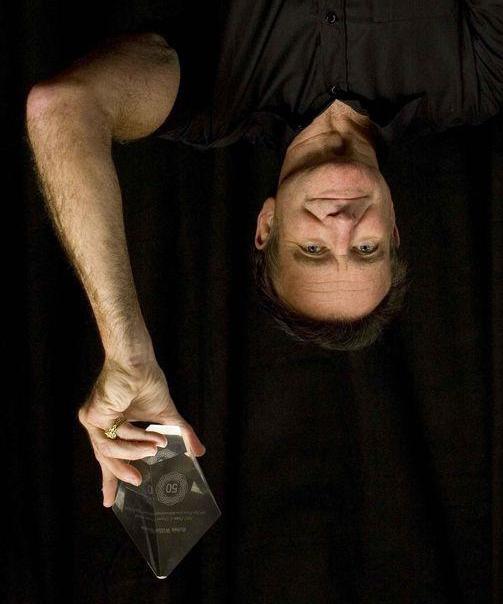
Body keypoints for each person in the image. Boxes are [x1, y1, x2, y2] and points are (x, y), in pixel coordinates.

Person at [25, 1, 502, 506]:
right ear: (394, 229)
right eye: (366, 248)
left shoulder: (212, 97)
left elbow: (61, 107)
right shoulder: (476, 78)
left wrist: (127, 348)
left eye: (313, 250)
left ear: (267, 226)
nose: (343, 227)